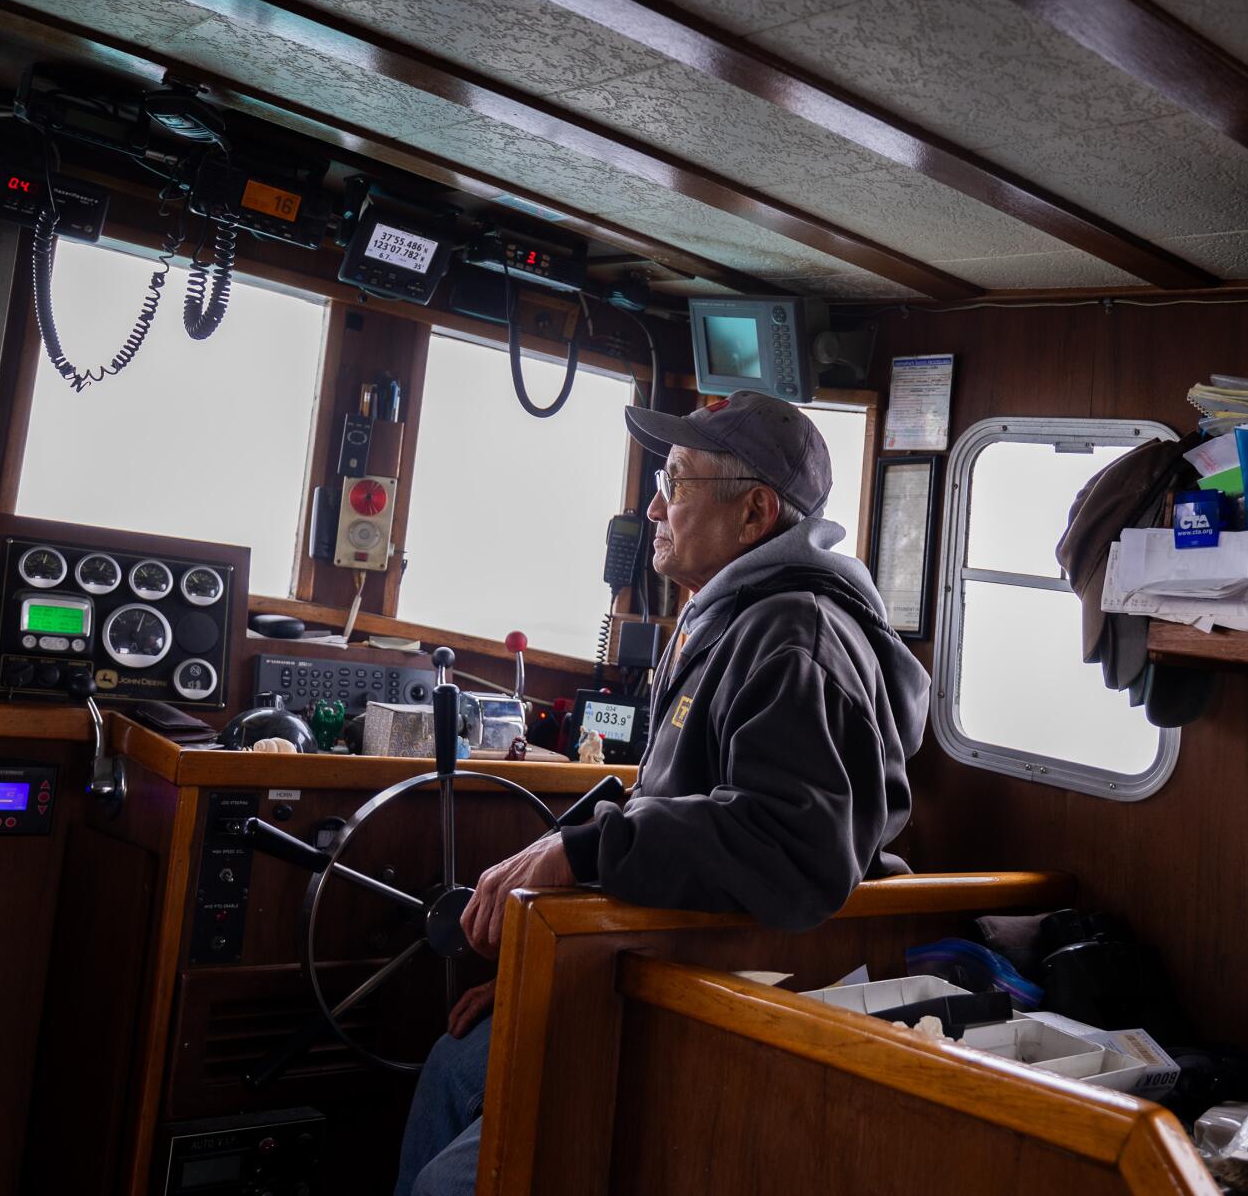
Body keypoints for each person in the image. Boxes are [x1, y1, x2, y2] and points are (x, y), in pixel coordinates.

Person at [395, 390, 929, 1196]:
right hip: (649, 955)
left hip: (726, 992)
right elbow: (671, 802)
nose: (650, 505)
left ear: (754, 513)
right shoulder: (726, 619)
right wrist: (545, 951)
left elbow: (791, 847)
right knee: (450, 1062)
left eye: (675, 482)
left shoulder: (793, 637)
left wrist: (579, 851)